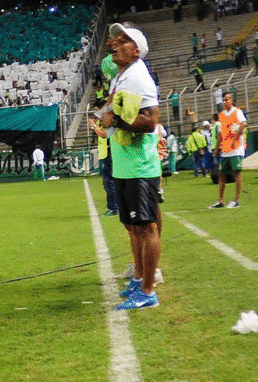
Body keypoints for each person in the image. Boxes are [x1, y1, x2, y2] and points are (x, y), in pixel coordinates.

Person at [99, 22, 162, 310]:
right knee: (132, 226)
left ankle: (148, 291)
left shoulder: (138, 76)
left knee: (146, 227)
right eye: (115, 40)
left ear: (135, 51)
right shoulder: (122, 77)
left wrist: (115, 120)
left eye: (122, 41)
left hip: (138, 164)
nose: (114, 44)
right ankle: (139, 278)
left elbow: (150, 122)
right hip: (124, 162)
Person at [210, 92, 247, 208]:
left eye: (227, 100)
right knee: (221, 174)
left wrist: (235, 138)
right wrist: (217, 148)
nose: (225, 102)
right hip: (225, 149)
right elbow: (220, 133)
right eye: (224, 100)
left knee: (237, 173)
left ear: (232, 100)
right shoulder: (221, 115)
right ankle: (221, 201)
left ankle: (236, 200)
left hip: (236, 148)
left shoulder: (237, 112)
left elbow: (244, 124)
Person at [90, 116, 116, 215]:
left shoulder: (110, 122)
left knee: (110, 182)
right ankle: (113, 207)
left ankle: (114, 208)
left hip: (109, 153)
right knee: (107, 183)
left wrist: (94, 126)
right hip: (103, 154)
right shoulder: (101, 121)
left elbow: (103, 134)